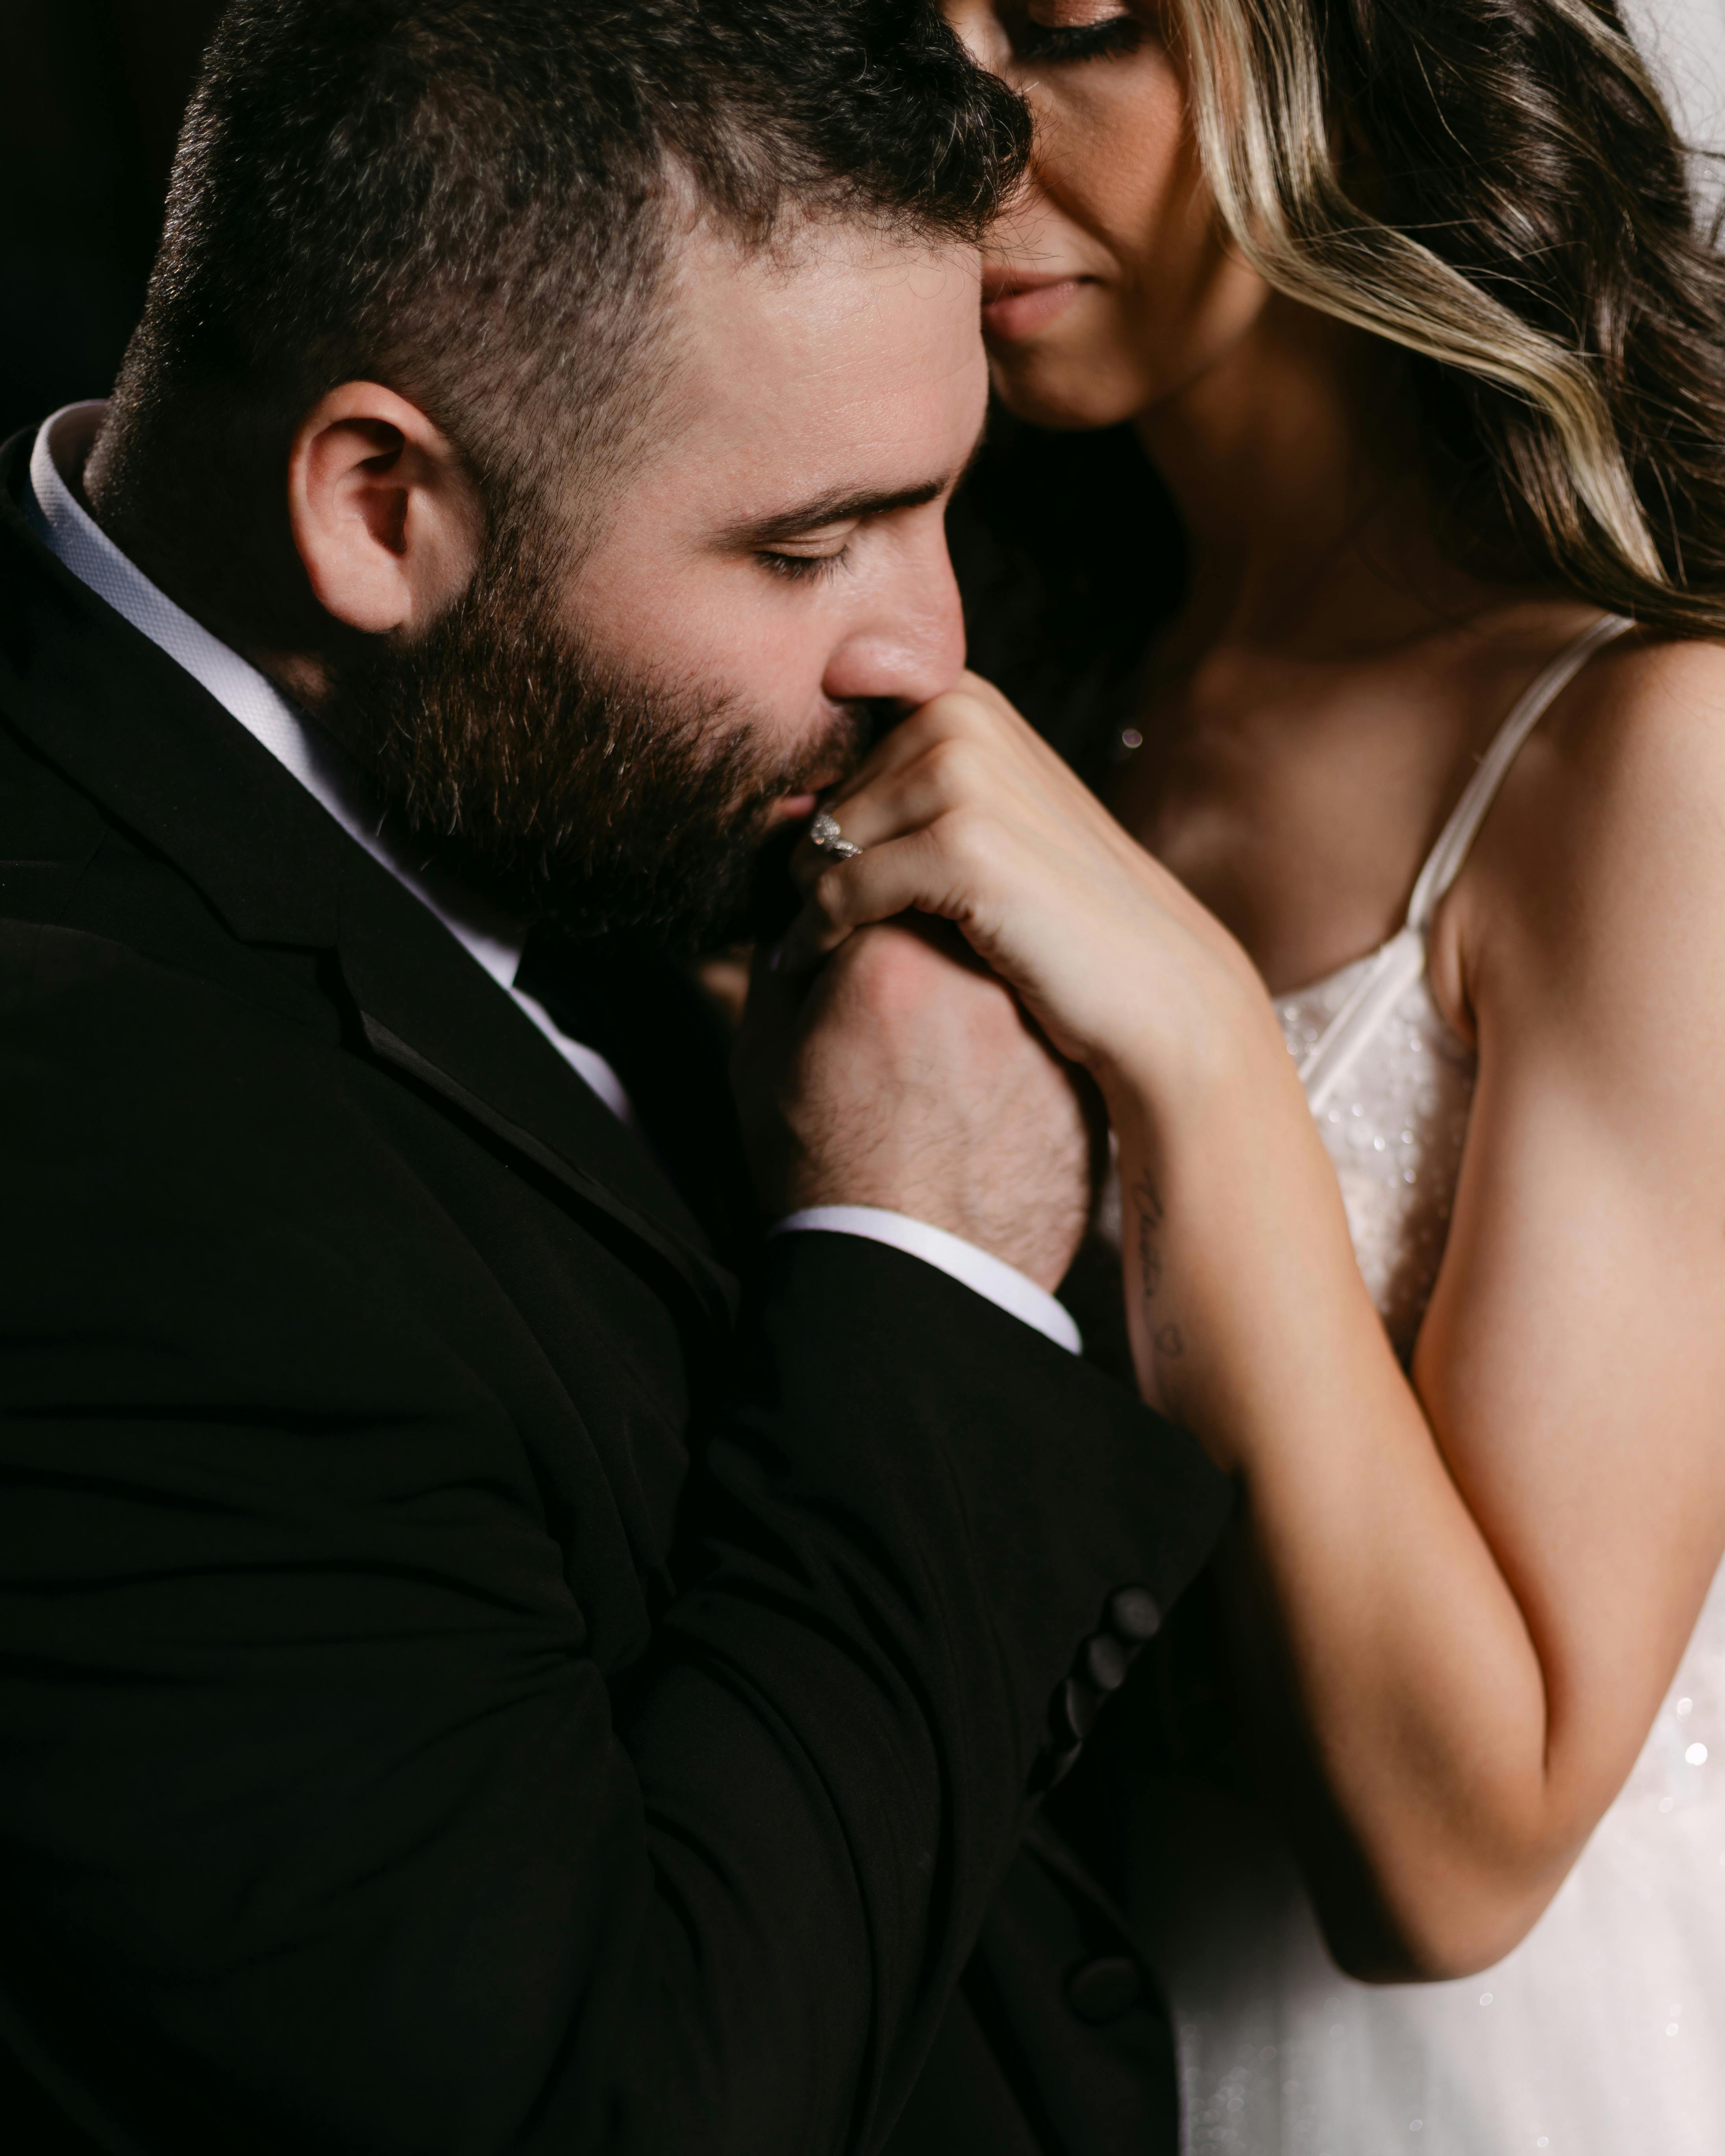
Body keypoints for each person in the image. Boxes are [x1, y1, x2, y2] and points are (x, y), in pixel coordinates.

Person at [0, 4, 1236, 2150]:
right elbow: (620, 2106)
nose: (930, 650)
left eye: (945, 504)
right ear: (379, 509)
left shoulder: (516, 780)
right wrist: (925, 1266)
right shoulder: (83, 1150)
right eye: (810, 544)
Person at [778, 0, 1725, 2148]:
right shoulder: (1019, 688)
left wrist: (1198, 1038)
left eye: (1073, 24)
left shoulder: (1646, 757)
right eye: (909, 38)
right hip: (1038, 2060)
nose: (965, 132)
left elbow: (1457, 1864)